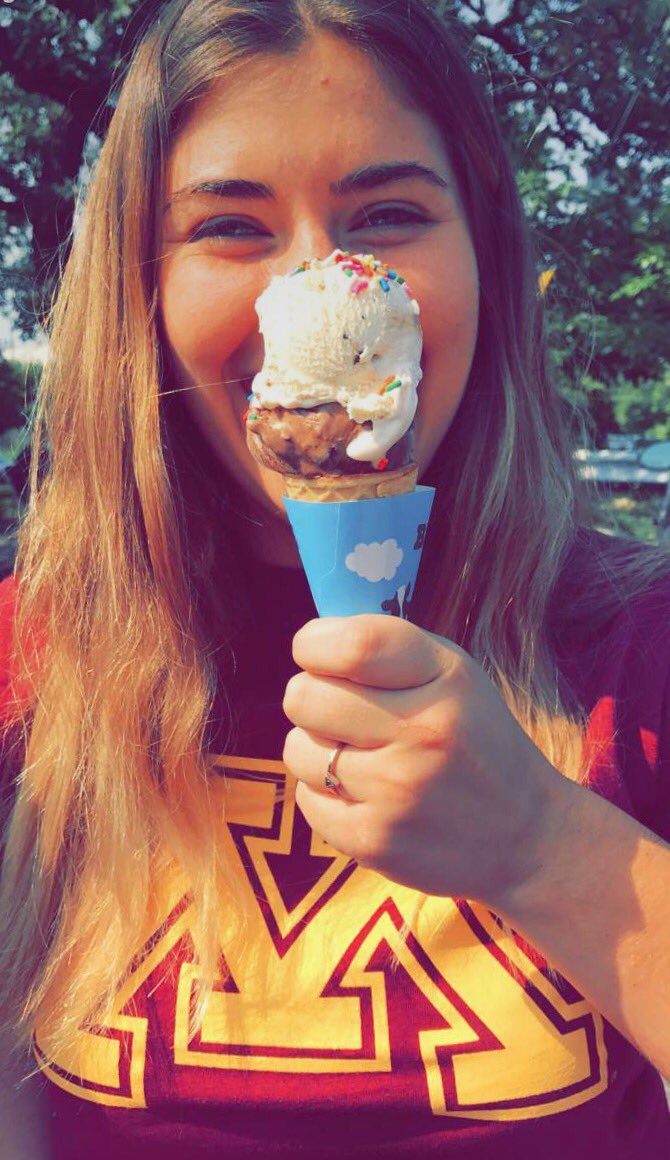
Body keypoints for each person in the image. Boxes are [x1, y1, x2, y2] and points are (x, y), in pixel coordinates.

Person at [1, 1, 669, 1156]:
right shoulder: (28, 665)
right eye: (229, 227)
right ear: (139, 300)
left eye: (390, 212)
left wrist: (549, 850)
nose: (321, 285)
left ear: (486, 260)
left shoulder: (641, 649)